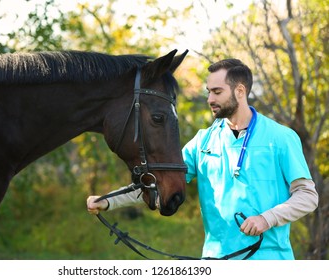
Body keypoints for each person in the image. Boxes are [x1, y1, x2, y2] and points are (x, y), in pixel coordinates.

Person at [87, 58, 319, 260]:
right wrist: (109, 201)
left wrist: (267, 219)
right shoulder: (203, 141)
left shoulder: (281, 137)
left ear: (240, 91)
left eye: (217, 92)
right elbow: (159, 180)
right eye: (208, 91)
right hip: (214, 260)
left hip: (269, 262)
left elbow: (307, 196)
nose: (209, 99)